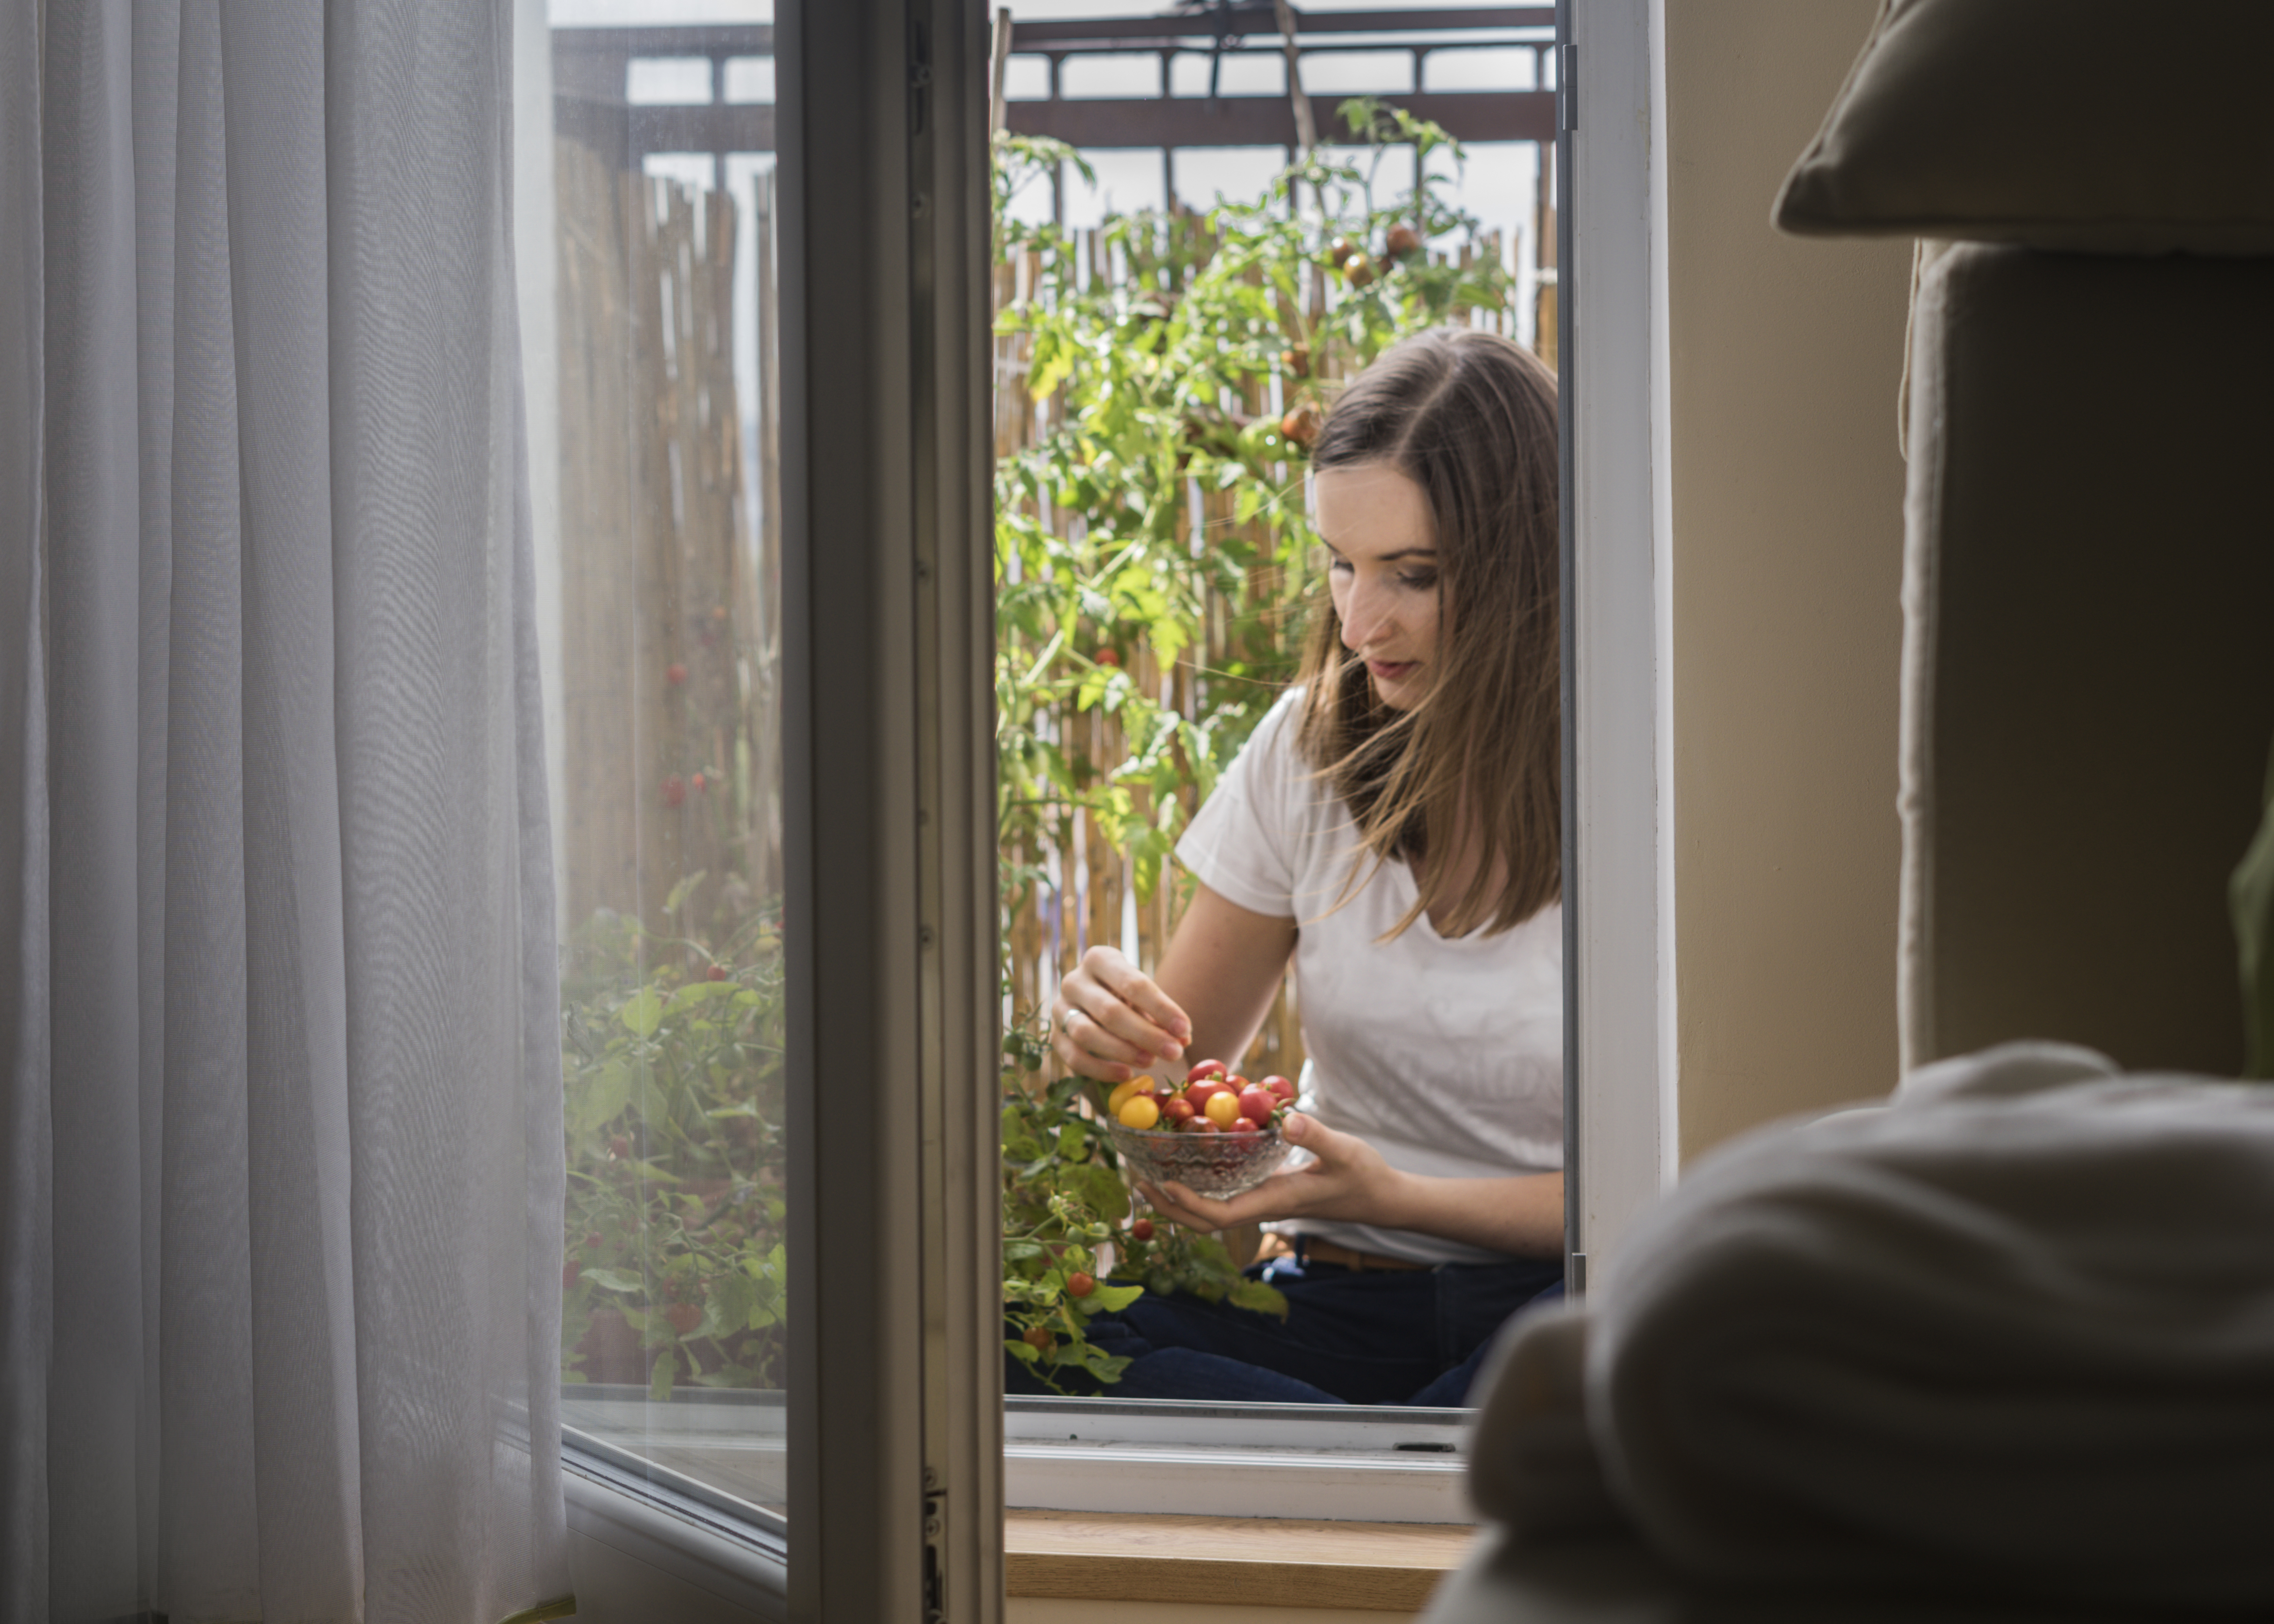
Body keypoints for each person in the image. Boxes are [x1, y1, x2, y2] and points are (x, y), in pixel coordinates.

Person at [1041, 326, 1566, 1407]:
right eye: (1342, 564)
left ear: (1531, 564)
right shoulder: (1310, 748)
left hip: (1561, 1305)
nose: (1362, 621)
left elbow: (1686, 1187)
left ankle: (1351, 1469)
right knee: (1015, 1352)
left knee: (1583, 1378)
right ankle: (1401, 1476)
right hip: (1330, 1303)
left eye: (1413, 575)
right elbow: (1168, 1085)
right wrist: (1097, 1047)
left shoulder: (1641, 775)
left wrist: (1406, 1195)